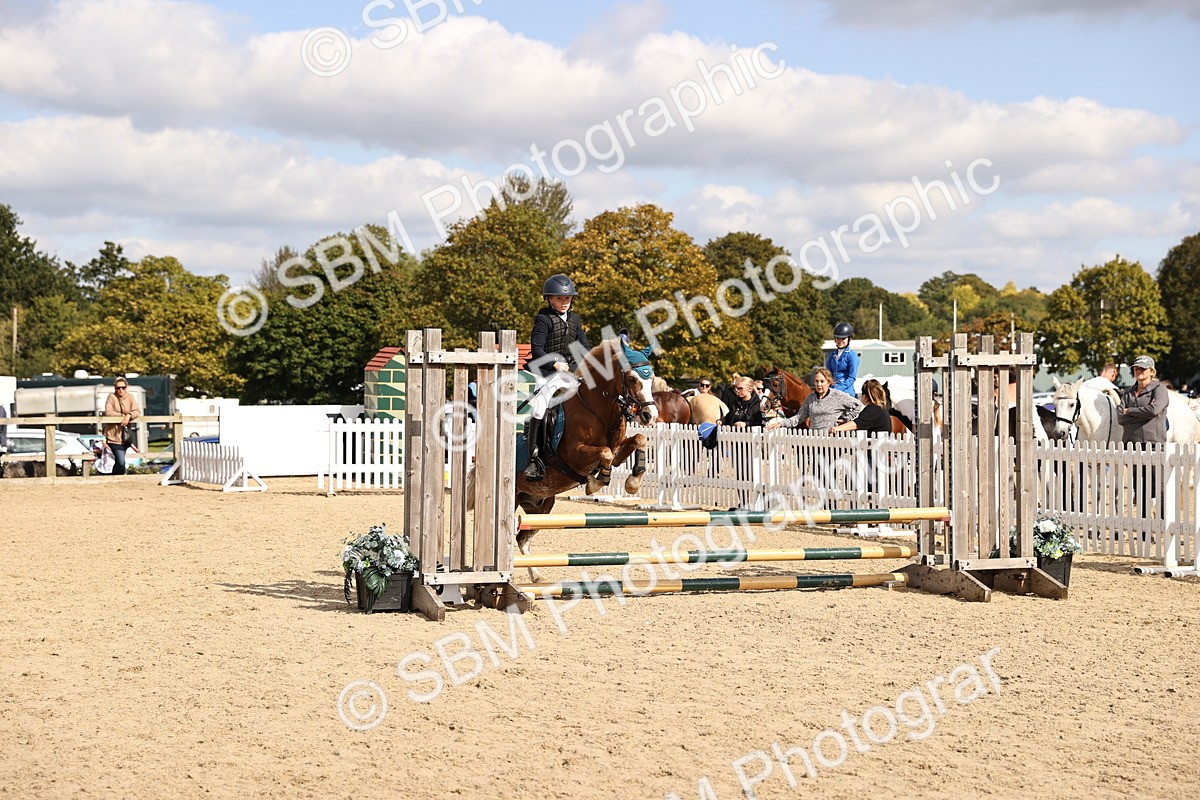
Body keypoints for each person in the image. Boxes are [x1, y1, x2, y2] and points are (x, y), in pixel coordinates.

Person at [524, 273, 591, 482]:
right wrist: (555, 363)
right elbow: (536, 349)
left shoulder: (575, 319)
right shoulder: (543, 319)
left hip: (570, 372)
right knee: (540, 406)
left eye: (567, 299)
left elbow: (584, 347)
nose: (564, 302)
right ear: (549, 299)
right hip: (546, 371)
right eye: (560, 298)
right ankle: (533, 459)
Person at [1118, 355, 1169, 517]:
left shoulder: (1159, 389)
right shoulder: (1128, 392)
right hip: (1132, 447)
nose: (1138, 371)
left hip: (1153, 445)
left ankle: (1161, 521)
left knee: (1158, 488)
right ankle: (1144, 523)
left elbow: (1154, 410)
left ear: (1151, 371)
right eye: (1136, 368)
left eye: (1142, 368)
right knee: (1139, 487)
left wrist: (1130, 412)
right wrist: (1141, 414)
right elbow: (1120, 417)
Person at [766, 368, 862, 433]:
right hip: (815, 440)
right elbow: (799, 417)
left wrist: (846, 419)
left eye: (822, 381)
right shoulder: (810, 397)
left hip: (833, 441)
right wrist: (780, 424)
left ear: (828, 382)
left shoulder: (838, 395)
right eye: (816, 381)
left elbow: (858, 406)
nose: (819, 384)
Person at [721, 376, 765, 509]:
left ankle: (759, 502)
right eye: (736, 388)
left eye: (740, 388)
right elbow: (729, 417)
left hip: (751, 445)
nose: (737, 391)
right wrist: (721, 421)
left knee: (751, 474)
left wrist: (746, 424)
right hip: (737, 443)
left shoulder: (758, 405)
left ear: (750, 389)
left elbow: (761, 423)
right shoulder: (736, 403)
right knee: (739, 475)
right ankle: (744, 502)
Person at [103, 377, 141, 475]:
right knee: (121, 461)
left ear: (126, 387)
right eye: (118, 388)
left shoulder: (130, 397)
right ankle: (117, 477)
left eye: (123, 388)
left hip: (126, 436)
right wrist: (122, 416)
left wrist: (129, 415)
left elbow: (137, 411)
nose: (121, 390)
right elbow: (109, 412)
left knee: (120, 462)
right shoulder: (111, 397)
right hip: (113, 436)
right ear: (115, 388)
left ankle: (117, 478)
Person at [826, 322, 859, 395]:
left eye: (843, 338)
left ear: (849, 338)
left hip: (846, 391)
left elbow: (851, 378)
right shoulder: (832, 355)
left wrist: (837, 388)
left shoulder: (852, 355)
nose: (840, 341)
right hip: (832, 389)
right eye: (838, 338)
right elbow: (828, 374)